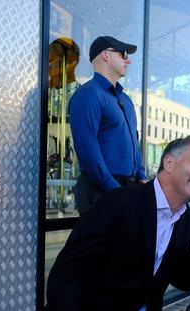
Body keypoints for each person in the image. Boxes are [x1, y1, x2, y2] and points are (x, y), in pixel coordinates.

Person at [46, 135, 190, 311]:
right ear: (169, 163)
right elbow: (68, 270)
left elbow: (183, 280)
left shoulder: (186, 219)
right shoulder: (119, 203)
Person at [69, 35, 146, 215]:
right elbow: (87, 148)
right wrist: (114, 189)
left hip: (126, 190)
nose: (128, 60)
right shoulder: (88, 95)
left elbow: (135, 140)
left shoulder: (125, 100)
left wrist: (141, 177)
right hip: (100, 192)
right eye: (123, 54)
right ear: (106, 55)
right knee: (99, 244)